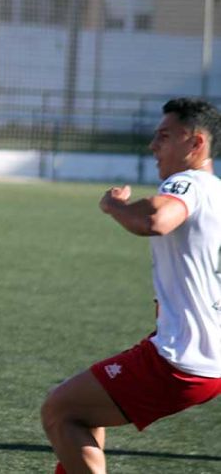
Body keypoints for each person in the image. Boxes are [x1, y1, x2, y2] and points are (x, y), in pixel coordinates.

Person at [40, 97, 221, 474]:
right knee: (86, 411)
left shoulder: (187, 183)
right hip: (201, 356)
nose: (153, 146)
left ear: (195, 143)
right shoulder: (217, 192)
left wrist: (114, 207)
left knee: (60, 410)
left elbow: (156, 220)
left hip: (181, 358)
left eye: (164, 136)